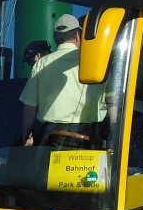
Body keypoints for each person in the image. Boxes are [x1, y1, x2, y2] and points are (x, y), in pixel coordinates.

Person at [19, 14, 109, 147]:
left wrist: (26, 135)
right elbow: (113, 102)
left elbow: (29, 108)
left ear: (56, 38)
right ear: (78, 35)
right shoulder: (96, 62)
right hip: (88, 136)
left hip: (51, 137)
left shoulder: (41, 64)